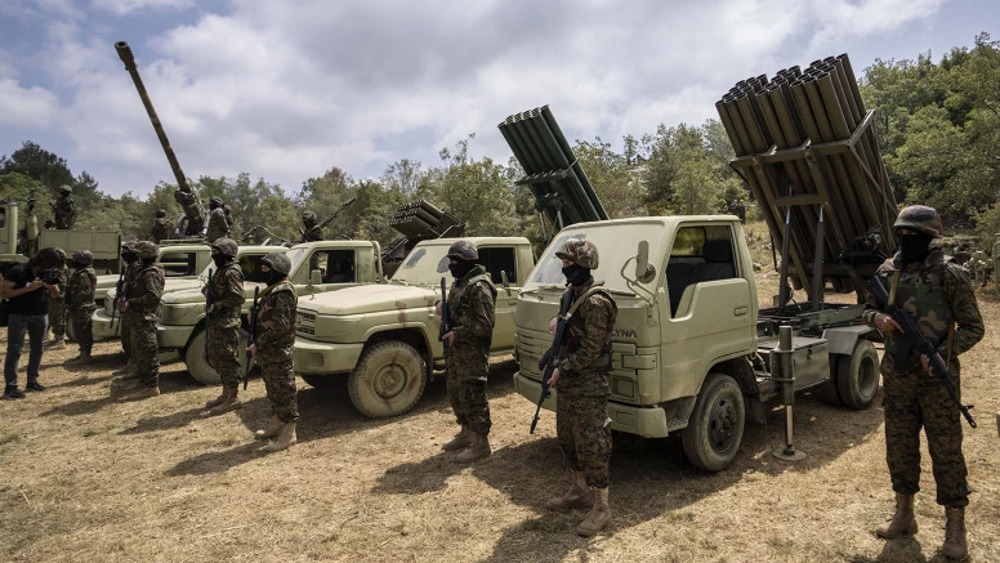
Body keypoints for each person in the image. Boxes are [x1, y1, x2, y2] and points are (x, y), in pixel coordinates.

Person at [862, 205, 984, 560]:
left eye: (913, 235)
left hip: (936, 383)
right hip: (898, 379)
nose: (906, 240)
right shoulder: (888, 271)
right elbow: (867, 309)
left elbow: (975, 327)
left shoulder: (950, 274)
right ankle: (904, 515)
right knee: (899, 450)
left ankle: (955, 528)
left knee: (946, 452)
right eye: (902, 234)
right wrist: (878, 317)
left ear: (931, 237)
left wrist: (945, 354)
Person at [544, 239, 617, 537]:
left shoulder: (597, 301)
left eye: (569, 263)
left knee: (592, 443)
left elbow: (591, 349)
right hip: (570, 383)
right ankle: (579, 491)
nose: (564, 268)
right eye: (563, 263)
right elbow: (570, 328)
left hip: (588, 383)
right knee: (568, 438)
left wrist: (562, 368)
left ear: (583, 265)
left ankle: (602, 508)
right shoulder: (570, 295)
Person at [438, 241, 497, 463]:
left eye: (455, 261)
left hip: (472, 352)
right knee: (456, 392)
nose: (452, 265)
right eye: (450, 260)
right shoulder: (460, 283)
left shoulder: (479, 286)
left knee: (474, 396)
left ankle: (481, 444)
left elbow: (485, 323)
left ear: (467, 262)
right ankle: (466, 433)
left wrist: (459, 333)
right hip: (457, 352)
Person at [248, 253, 299, 452]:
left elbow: (280, 326)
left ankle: (289, 433)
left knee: (284, 390)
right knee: (273, 388)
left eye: (267, 268)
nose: (263, 271)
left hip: (279, 351)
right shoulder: (273, 291)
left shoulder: (284, 292)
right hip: (270, 351)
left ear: (278, 270)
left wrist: (257, 344)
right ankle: (277, 423)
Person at [2, 247, 64, 399]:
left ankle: (32, 381)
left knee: (38, 349)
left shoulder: (49, 273)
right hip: (19, 315)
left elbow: (56, 294)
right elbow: (3, 293)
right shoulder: (18, 271)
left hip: (40, 315)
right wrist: (28, 289)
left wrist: (51, 287)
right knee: (15, 351)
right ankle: (11, 387)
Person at [110, 241, 165, 401]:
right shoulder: (144, 271)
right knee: (139, 351)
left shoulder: (150, 273)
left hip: (145, 318)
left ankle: (151, 386)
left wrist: (131, 302)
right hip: (138, 318)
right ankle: (143, 381)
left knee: (147, 353)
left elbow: (153, 296)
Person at [202, 238, 246, 416]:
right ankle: (226, 393)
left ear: (227, 254)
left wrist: (219, 304)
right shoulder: (220, 271)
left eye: (217, 253)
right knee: (217, 357)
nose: (214, 256)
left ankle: (233, 398)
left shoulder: (232, 272)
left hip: (228, 322)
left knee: (228, 358)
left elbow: (238, 297)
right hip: (217, 321)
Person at [111, 242, 140, 379]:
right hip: (127, 308)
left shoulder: (138, 268)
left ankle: (136, 366)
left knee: (134, 341)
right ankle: (130, 363)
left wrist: (129, 301)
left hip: (135, 309)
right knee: (126, 338)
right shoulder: (128, 268)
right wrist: (119, 296)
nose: (123, 254)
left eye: (126, 251)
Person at [65, 250, 98, 365]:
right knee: (79, 331)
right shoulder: (82, 272)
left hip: (83, 307)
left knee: (83, 332)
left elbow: (83, 293)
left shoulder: (84, 274)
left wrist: (70, 305)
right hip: (79, 307)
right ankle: (83, 354)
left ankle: (85, 356)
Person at [43, 249, 68, 350]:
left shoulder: (59, 270)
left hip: (58, 297)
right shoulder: (60, 268)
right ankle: (56, 339)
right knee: (53, 317)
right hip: (56, 296)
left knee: (58, 318)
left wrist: (49, 287)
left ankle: (60, 341)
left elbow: (60, 285)